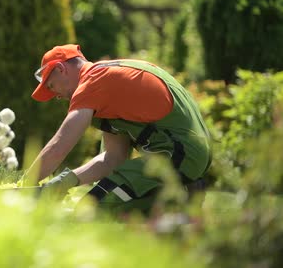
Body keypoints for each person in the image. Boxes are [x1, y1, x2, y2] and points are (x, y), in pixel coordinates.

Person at [24, 44, 211, 213]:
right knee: (101, 207)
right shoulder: (108, 79)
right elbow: (113, 159)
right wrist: (68, 180)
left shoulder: (93, 81)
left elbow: (59, 147)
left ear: (60, 68)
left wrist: (23, 186)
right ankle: (180, 197)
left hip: (179, 155)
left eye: (51, 85)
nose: (56, 96)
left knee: (90, 212)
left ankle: (179, 198)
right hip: (185, 155)